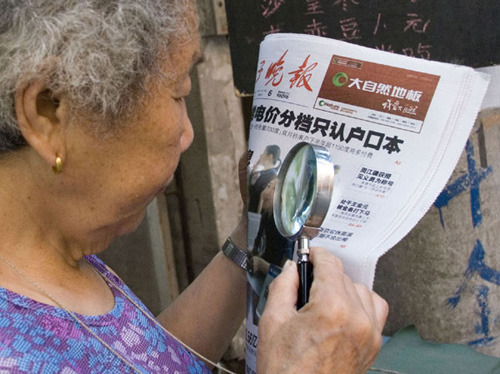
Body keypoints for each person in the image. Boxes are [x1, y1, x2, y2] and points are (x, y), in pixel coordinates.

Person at [0, 1, 388, 373]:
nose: (186, 134)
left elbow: (153, 360)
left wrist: (255, 229)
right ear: (49, 109)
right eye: (179, 92)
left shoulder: (47, 254)